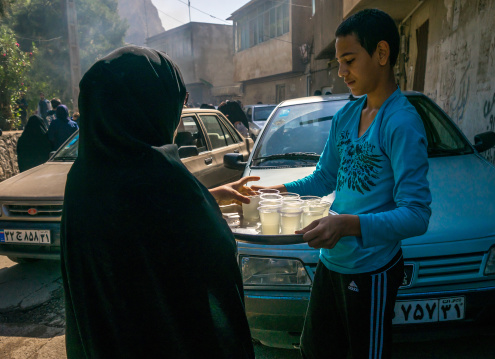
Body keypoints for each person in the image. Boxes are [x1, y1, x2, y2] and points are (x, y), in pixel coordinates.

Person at [253, 9, 432, 359]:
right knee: (315, 351)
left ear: (381, 54)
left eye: (349, 60)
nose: (340, 72)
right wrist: (277, 192)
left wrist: (348, 225)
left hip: (372, 270)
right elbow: (323, 176)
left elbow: (416, 214)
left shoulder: (401, 123)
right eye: (339, 61)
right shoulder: (347, 116)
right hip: (332, 263)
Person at [60, 45, 257, 359]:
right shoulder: (164, 181)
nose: (178, 121)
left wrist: (209, 197)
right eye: (178, 105)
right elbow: (213, 284)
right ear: (150, 104)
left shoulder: (83, 177)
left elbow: (138, 229)